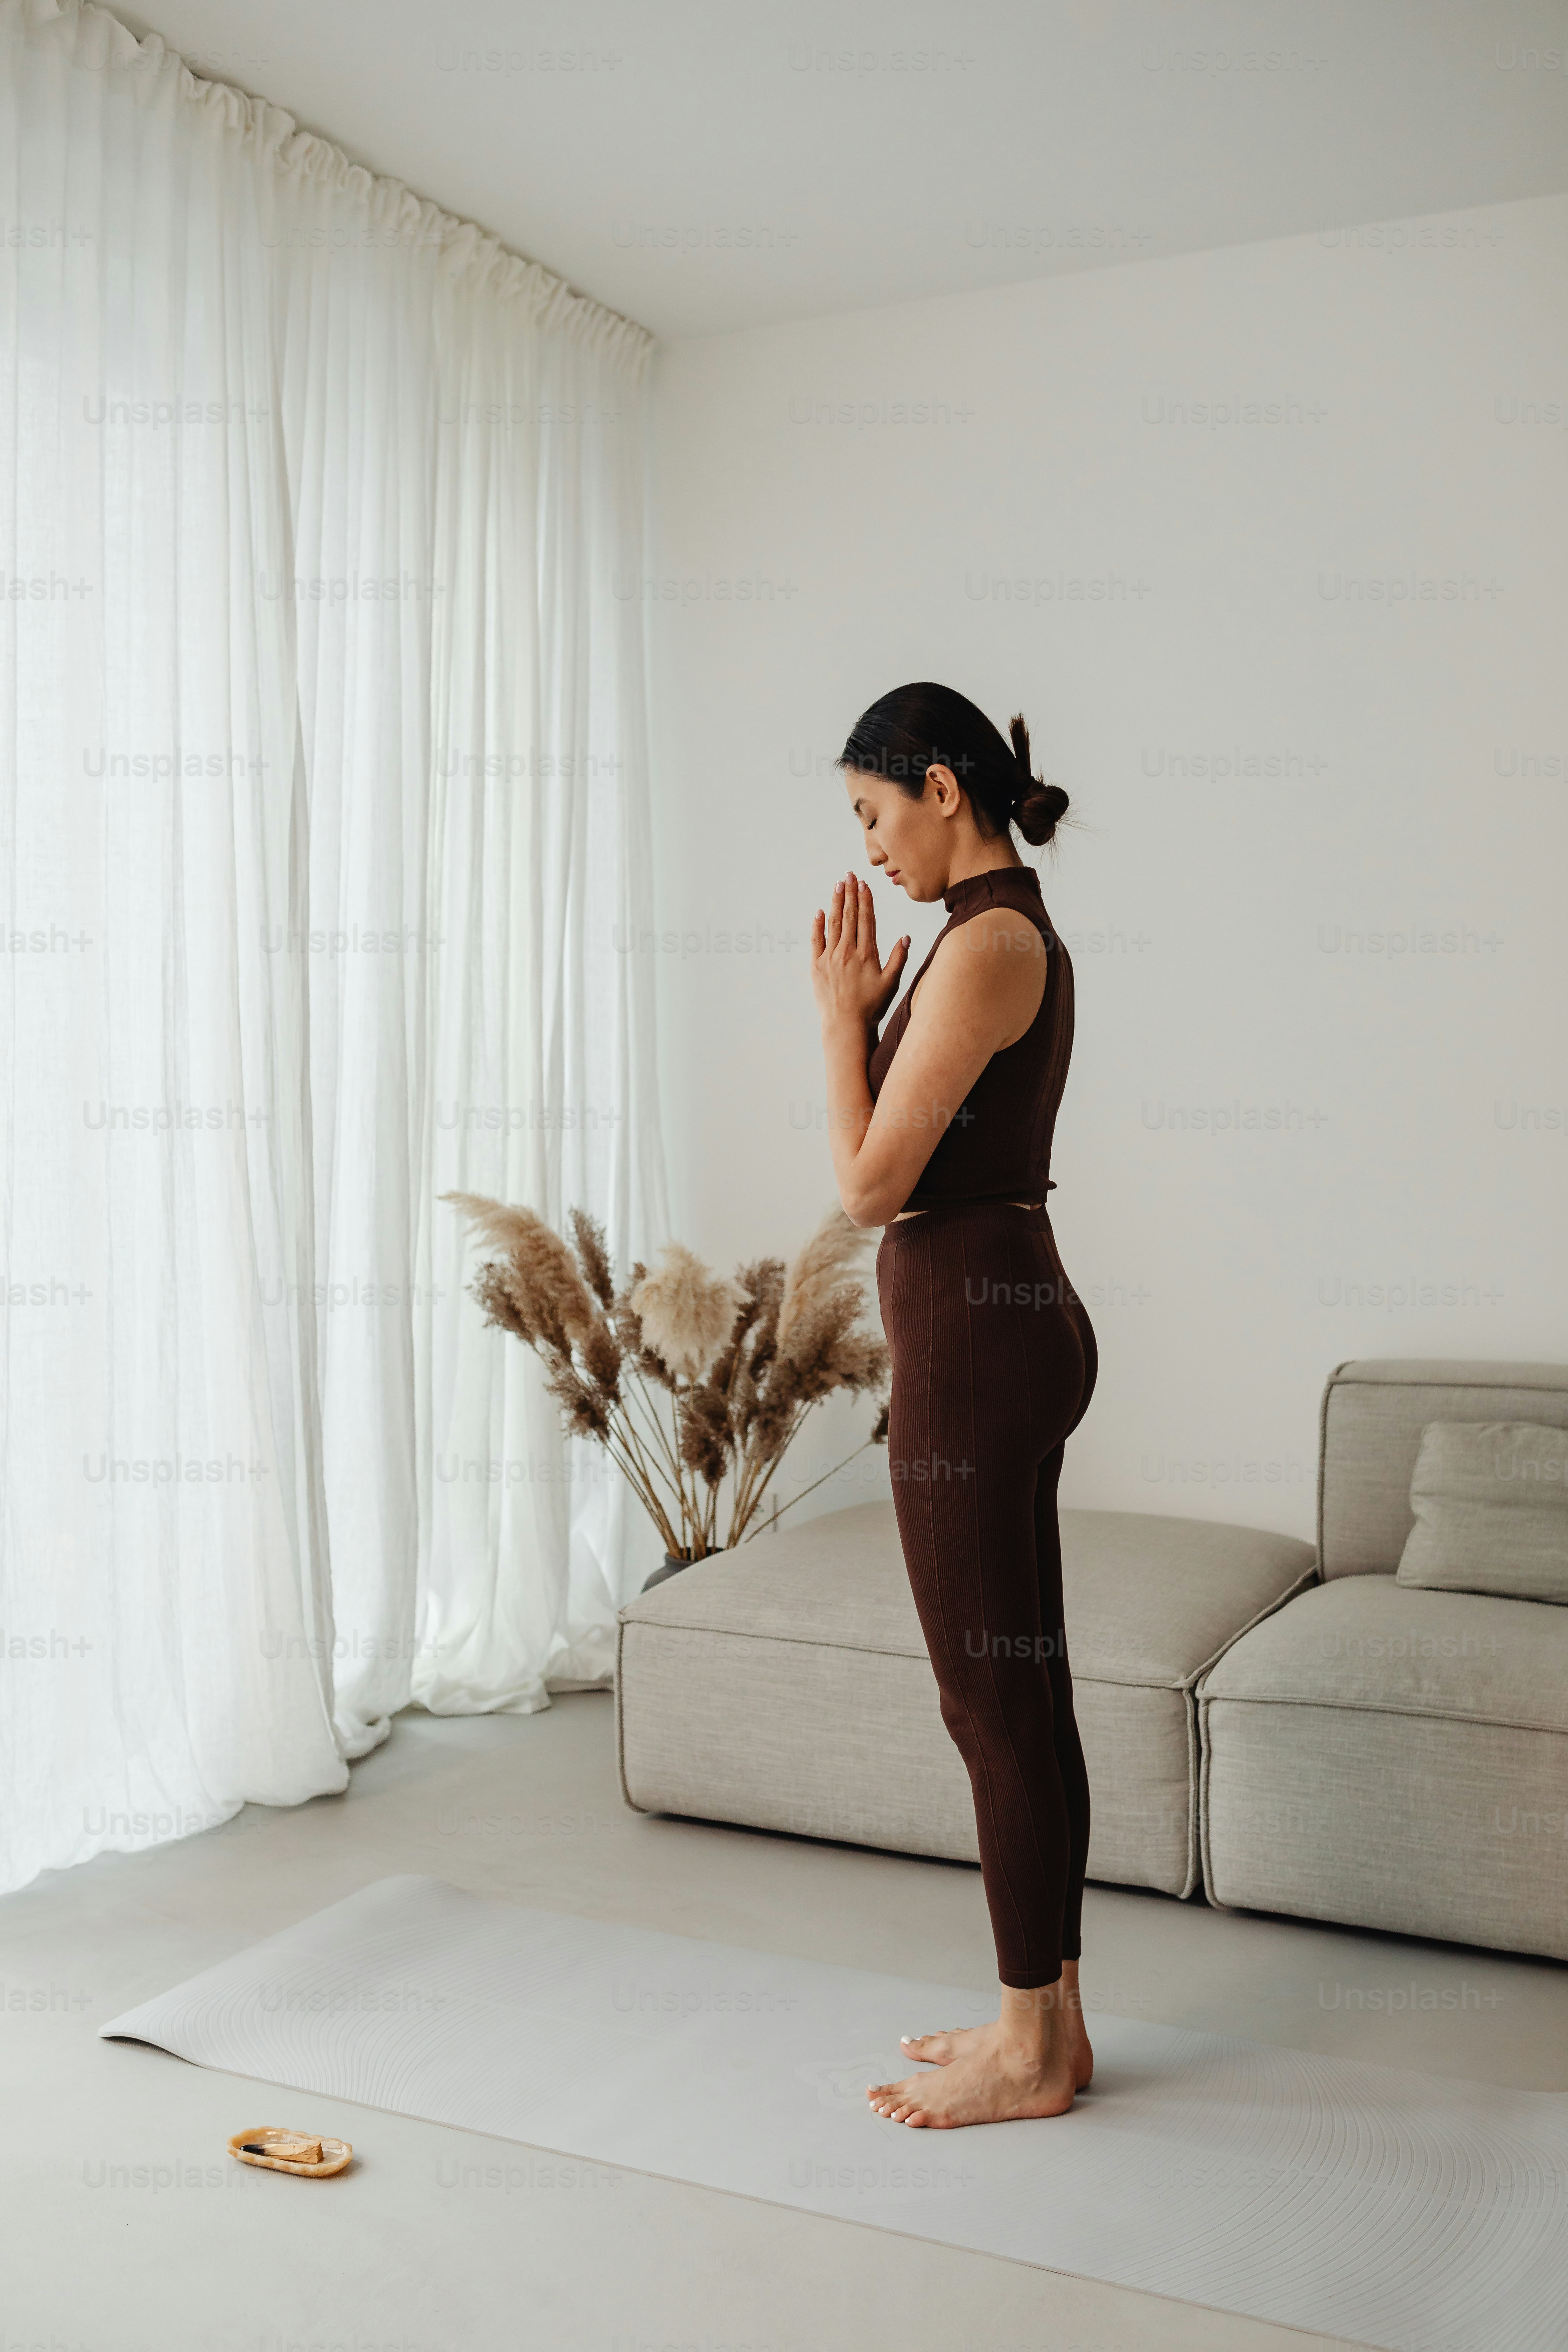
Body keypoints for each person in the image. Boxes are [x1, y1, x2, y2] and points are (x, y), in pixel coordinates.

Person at [808, 681, 1097, 2129]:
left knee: (985, 1700)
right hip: (989, 1328)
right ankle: (1050, 2024)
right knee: (1021, 1691)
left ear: (939, 786)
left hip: (981, 1345)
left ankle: (1027, 2044)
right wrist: (871, 1013)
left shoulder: (986, 943)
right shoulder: (975, 935)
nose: (869, 850)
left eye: (871, 815)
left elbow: (867, 1190)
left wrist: (831, 1025)